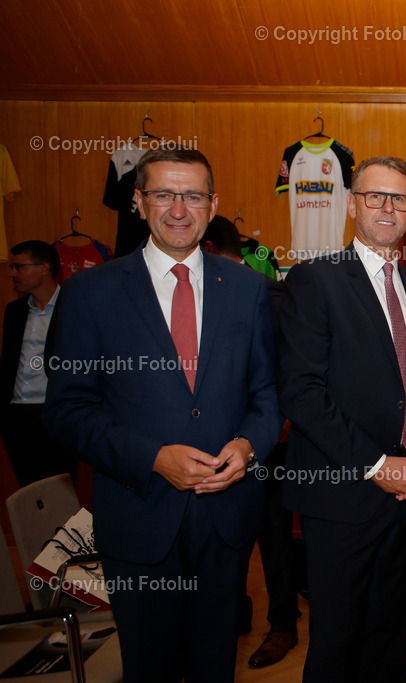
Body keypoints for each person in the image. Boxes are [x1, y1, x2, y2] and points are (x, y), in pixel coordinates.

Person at [42, 145, 282, 682]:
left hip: (226, 521)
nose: (179, 209)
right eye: (164, 194)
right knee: (149, 668)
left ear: (212, 203)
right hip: (138, 517)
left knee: (215, 664)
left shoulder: (247, 288)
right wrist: (152, 457)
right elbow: (66, 411)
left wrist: (247, 446)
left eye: (193, 196)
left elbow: (267, 395)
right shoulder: (89, 292)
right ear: (138, 201)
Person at [276, 156, 406, 682]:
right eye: (376, 196)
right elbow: (301, 393)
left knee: (392, 638)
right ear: (352, 205)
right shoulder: (313, 280)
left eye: (400, 198)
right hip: (343, 493)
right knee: (337, 642)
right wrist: (377, 464)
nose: (388, 208)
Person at [201, 217, 302, 667]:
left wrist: (271, 426)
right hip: (208, 448)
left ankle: (282, 624)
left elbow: (288, 373)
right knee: (225, 540)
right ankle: (232, 615)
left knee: (274, 536)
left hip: (268, 443)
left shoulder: (267, 294)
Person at [0, 240, 77, 486]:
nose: (13, 273)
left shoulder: (74, 307)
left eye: (19, 266)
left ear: (44, 269)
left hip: (56, 416)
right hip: (17, 417)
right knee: (28, 494)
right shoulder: (14, 310)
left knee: (62, 493)